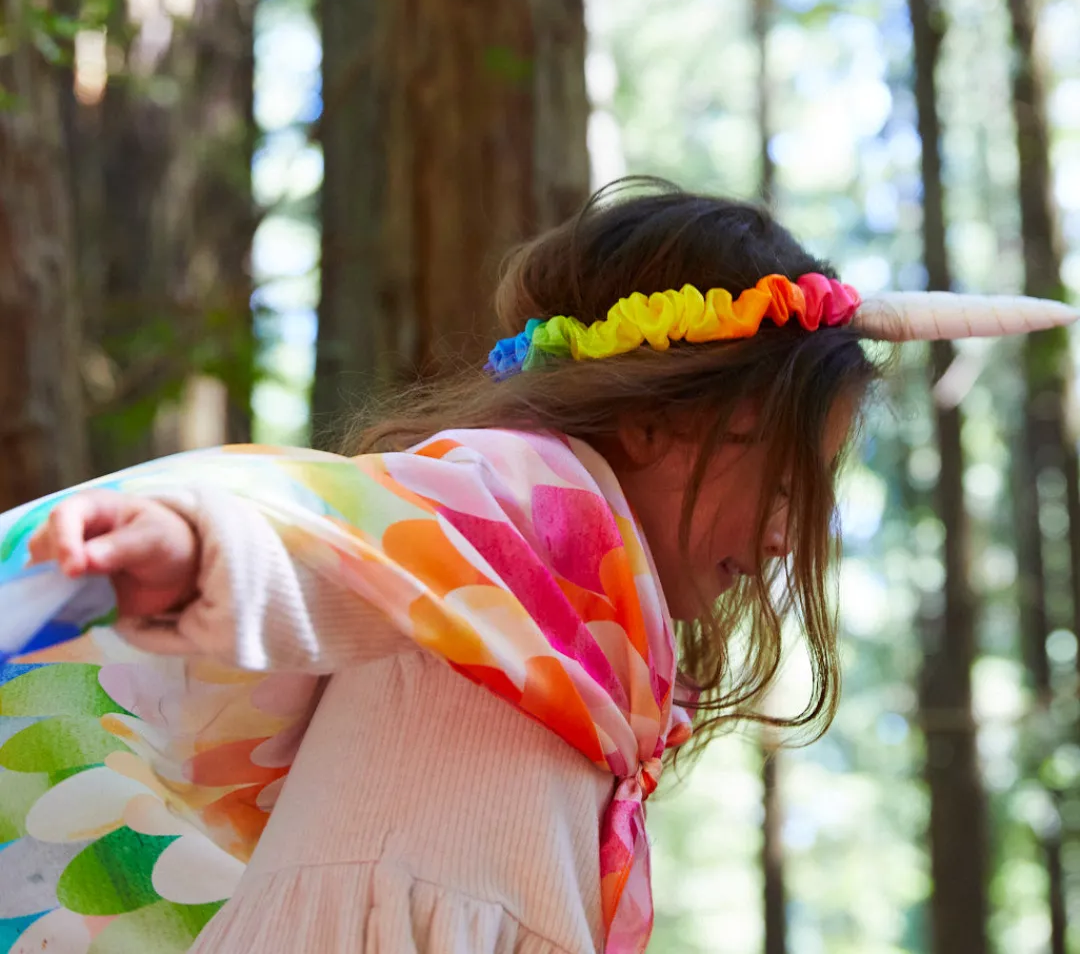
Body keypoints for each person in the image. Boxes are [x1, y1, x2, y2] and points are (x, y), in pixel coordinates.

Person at [1, 178, 1074, 954]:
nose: (793, 538)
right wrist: (192, 552)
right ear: (661, 426)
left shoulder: (591, 632)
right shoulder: (516, 498)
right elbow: (332, 537)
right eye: (790, 483)